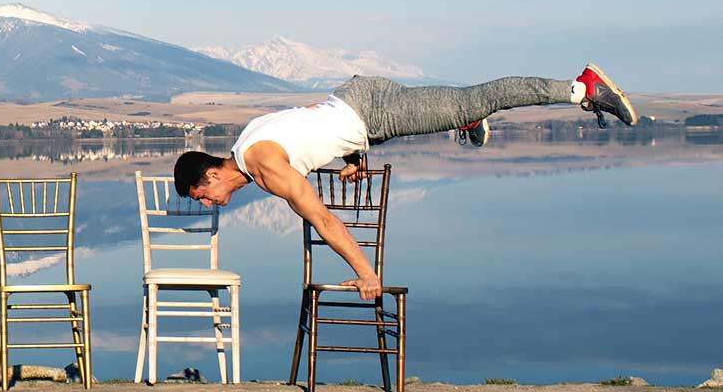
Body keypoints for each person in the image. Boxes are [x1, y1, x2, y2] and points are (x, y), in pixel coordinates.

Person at [173, 64, 637, 301]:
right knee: (449, 110)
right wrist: (354, 153)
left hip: (373, 110)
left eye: (204, 195)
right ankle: (466, 116)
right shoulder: (249, 141)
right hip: (359, 109)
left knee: (475, 98)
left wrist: (366, 274)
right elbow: (309, 127)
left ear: (212, 175)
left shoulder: (267, 168)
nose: (211, 203)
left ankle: (581, 88)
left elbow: (325, 222)